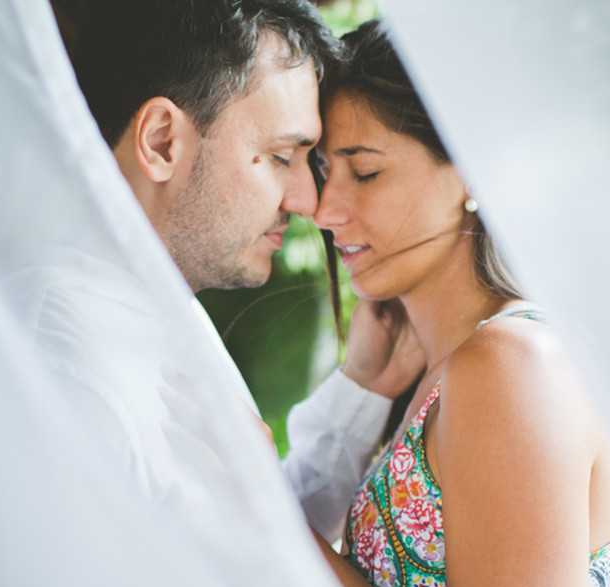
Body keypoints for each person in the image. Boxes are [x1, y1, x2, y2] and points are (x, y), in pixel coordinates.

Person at [310, 21, 610, 587]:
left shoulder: (510, 369)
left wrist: (300, 553)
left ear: (473, 170)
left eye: (364, 173)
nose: (324, 209)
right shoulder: (445, 366)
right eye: (323, 170)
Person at [33, 0, 423, 537]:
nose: (309, 200)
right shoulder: (62, 366)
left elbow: (236, 528)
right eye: (284, 157)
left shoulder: (158, 303)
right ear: (161, 141)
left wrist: (363, 386)